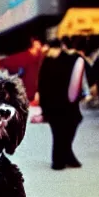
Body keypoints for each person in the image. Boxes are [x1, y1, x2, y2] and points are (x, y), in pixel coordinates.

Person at [37, 37, 85, 170]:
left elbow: (41, 85)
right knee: (66, 130)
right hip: (66, 103)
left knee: (59, 133)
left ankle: (62, 159)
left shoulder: (48, 61)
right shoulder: (68, 59)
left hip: (55, 104)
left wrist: (43, 107)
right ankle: (62, 159)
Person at [0, 36, 45, 102]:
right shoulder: (24, 57)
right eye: (39, 43)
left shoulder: (42, 57)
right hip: (29, 99)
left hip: (39, 96)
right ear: (35, 43)